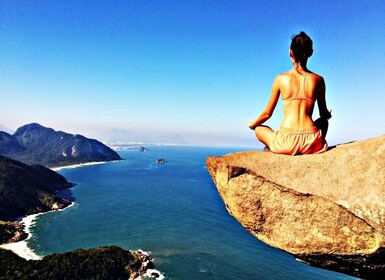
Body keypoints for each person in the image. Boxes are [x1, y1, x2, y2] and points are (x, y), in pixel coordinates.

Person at [248, 32, 331, 155]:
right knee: (324, 122)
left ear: (290, 52)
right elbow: (323, 114)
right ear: (311, 53)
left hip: (286, 142)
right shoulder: (319, 80)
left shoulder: (280, 79)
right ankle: (310, 149)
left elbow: (267, 114)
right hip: (311, 141)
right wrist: (328, 114)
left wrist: (254, 124)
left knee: (259, 129)